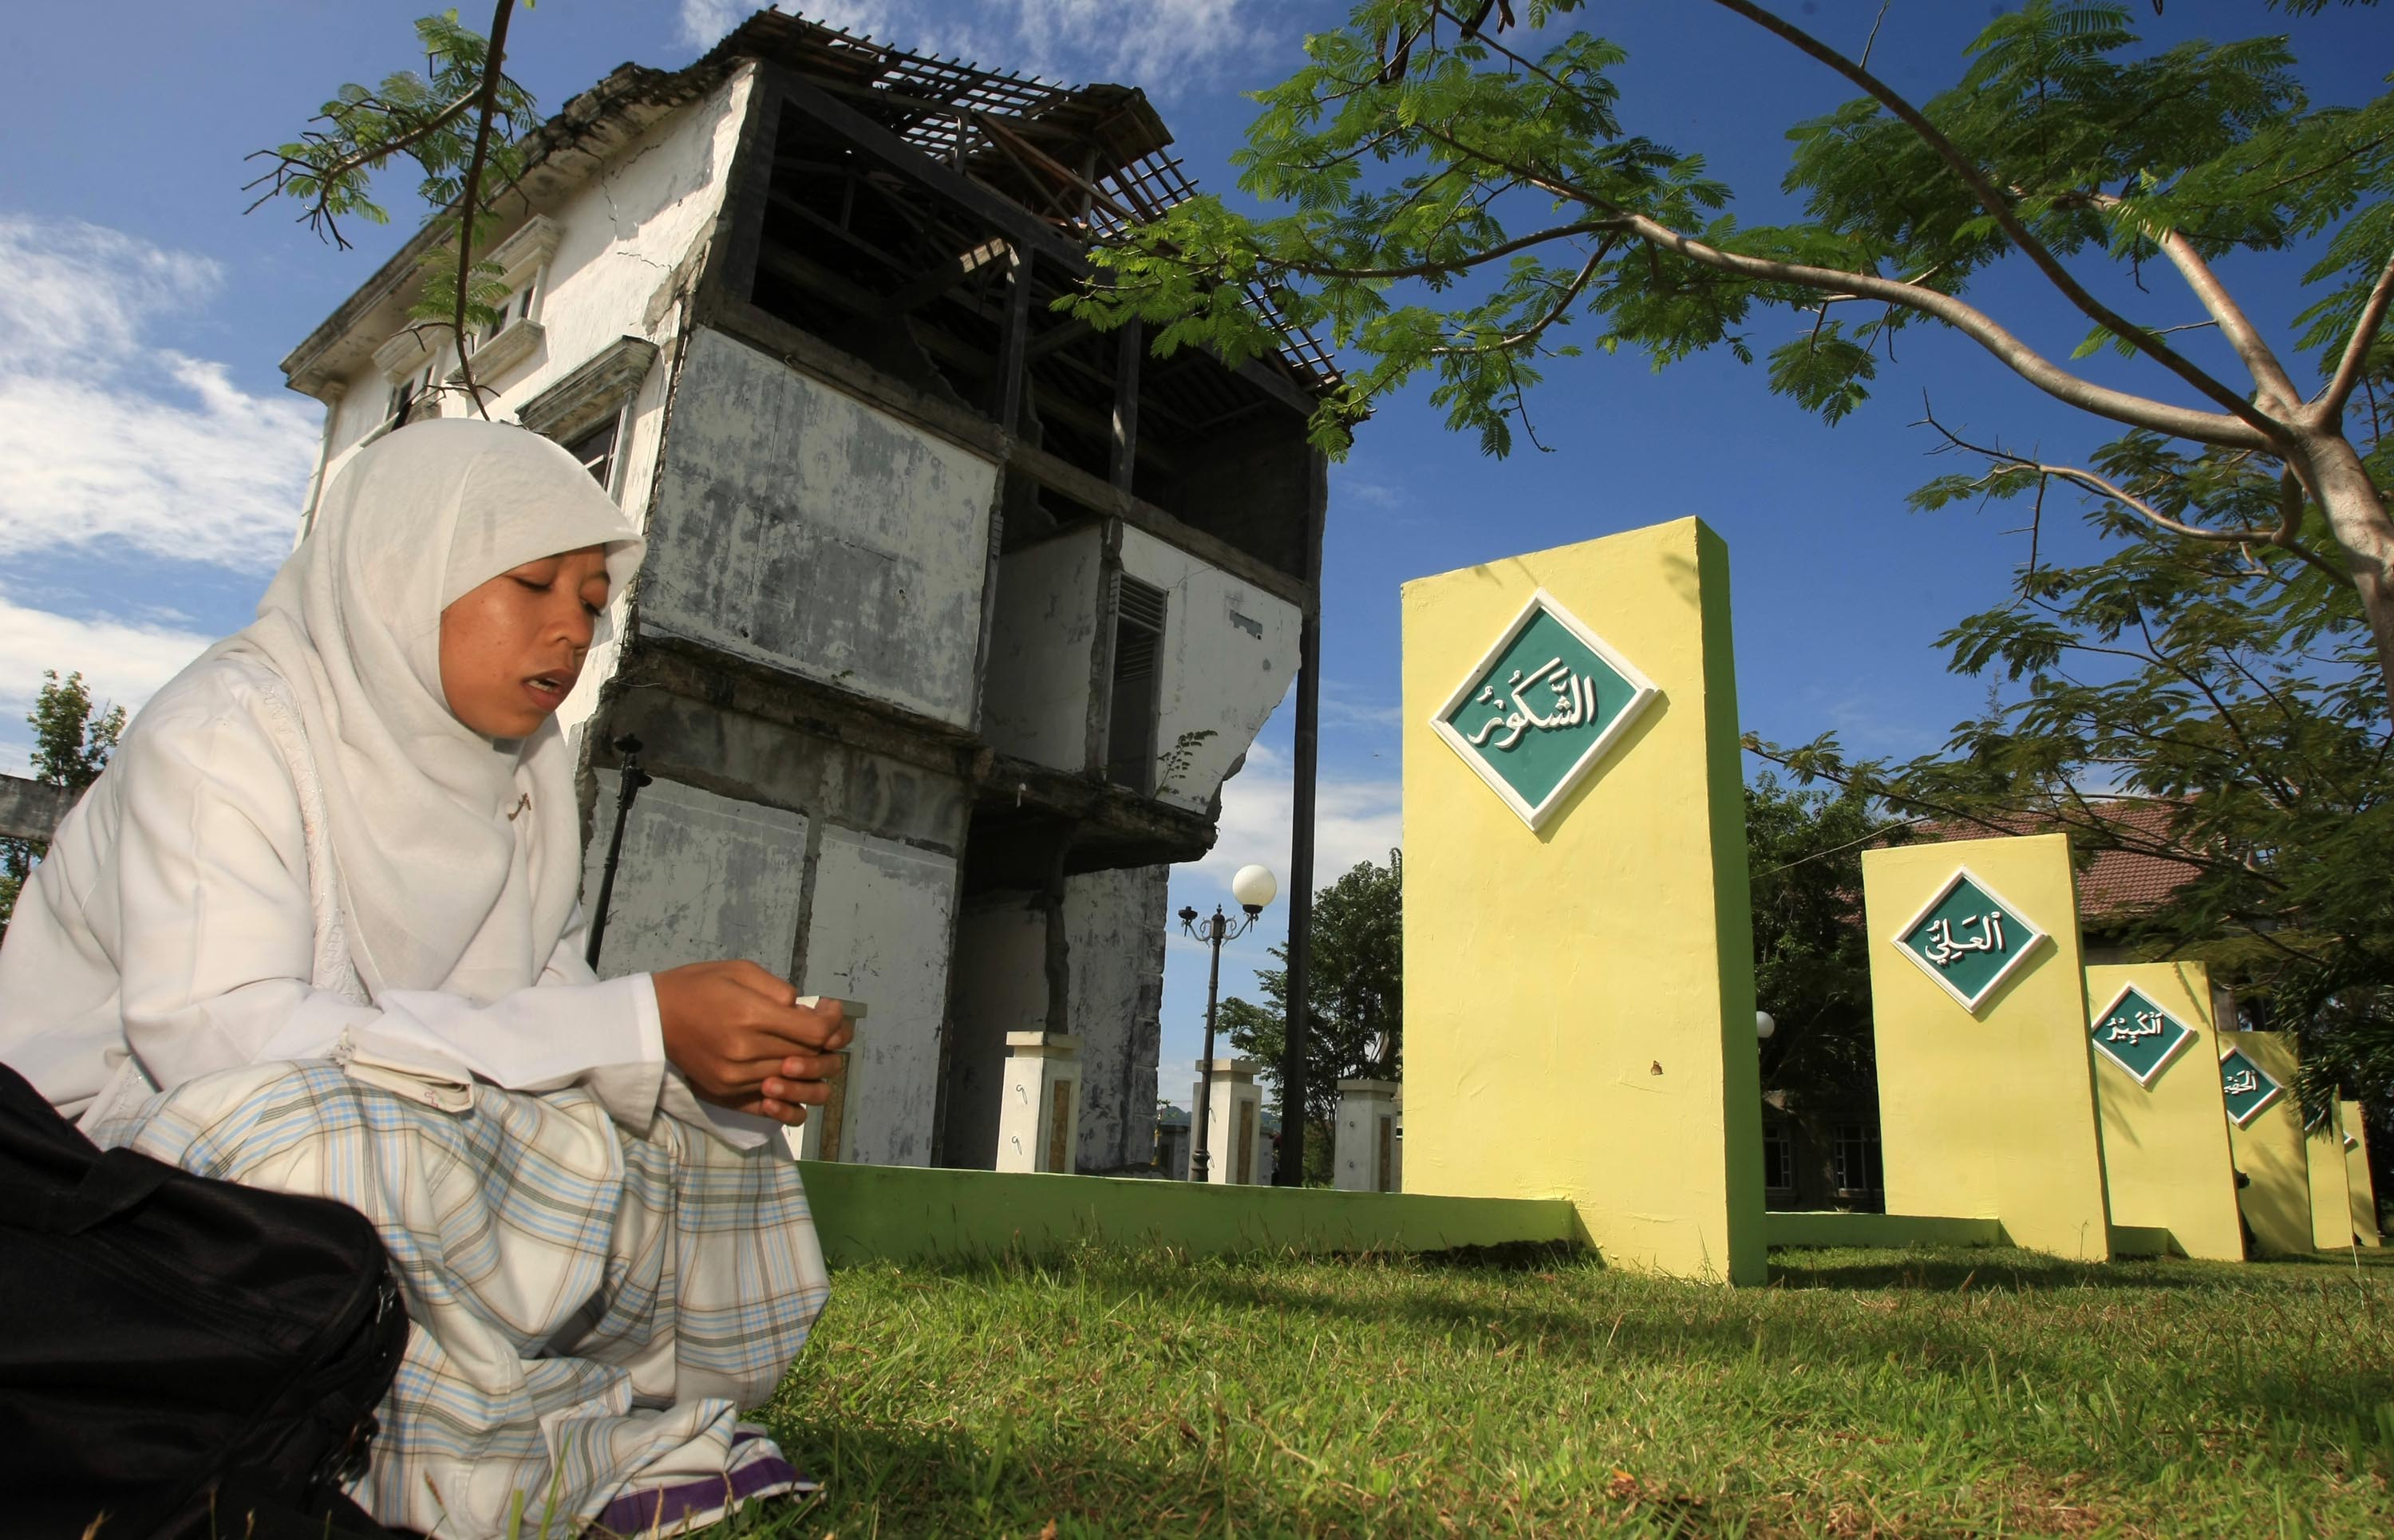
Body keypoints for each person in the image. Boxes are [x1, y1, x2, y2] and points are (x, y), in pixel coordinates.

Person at [0, 419, 851, 1538]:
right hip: (108, 1188)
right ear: (405, 567)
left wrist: (696, 1056)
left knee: (685, 1137)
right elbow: (215, 1034)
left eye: (593, 602)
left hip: (365, 1118)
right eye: (532, 582)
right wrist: (632, 1021)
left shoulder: (525, 784)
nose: (569, 631)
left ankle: (531, 1401)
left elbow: (541, 1014)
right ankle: (484, 1451)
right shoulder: (227, 732)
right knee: (325, 1137)